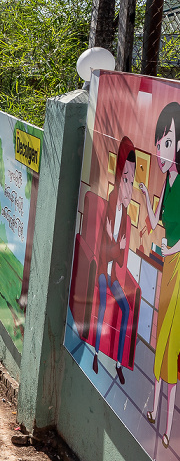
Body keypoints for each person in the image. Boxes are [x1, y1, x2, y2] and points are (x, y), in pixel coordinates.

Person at [142, 102, 180, 448]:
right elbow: (157, 225)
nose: (160, 149)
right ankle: (155, 409)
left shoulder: (179, 184)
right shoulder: (167, 183)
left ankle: (168, 427)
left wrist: (170, 250)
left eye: (166, 142)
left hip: (177, 269)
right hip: (169, 263)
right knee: (160, 341)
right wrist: (143, 195)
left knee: (172, 341)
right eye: (159, 142)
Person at [92, 135, 134, 385]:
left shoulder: (125, 213)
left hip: (113, 274)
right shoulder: (109, 202)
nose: (129, 186)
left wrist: (116, 247)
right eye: (127, 178)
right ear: (119, 176)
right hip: (101, 272)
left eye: (132, 179)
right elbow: (104, 250)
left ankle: (118, 363)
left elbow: (119, 258)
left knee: (126, 309)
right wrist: (115, 247)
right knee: (102, 307)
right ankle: (96, 353)